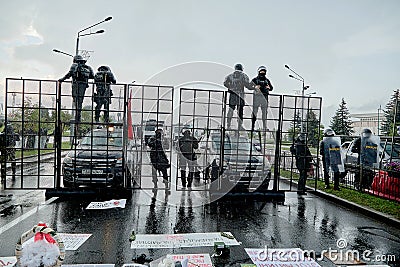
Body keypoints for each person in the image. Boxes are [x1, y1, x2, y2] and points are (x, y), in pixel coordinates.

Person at [58, 55, 94, 125]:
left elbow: (70, 73)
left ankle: (77, 117)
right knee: (80, 101)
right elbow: (92, 76)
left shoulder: (74, 65)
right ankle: (78, 116)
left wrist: (62, 79)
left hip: (76, 84)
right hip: (83, 85)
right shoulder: (87, 67)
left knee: (76, 100)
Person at [223, 63, 254, 130]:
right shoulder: (244, 75)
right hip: (240, 95)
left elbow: (225, 83)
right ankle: (239, 126)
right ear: (241, 68)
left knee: (231, 110)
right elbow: (247, 85)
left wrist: (230, 88)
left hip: (232, 95)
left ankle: (228, 125)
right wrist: (254, 88)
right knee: (240, 111)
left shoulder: (230, 76)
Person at [251, 66, 273, 131]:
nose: (262, 73)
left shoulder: (267, 80)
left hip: (265, 97)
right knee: (255, 112)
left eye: (264, 72)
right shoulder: (255, 79)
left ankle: (264, 127)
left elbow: (271, 88)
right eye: (261, 72)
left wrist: (269, 88)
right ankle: (252, 127)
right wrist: (254, 87)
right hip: (257, 97)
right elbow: (249, 86)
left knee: (265, 113)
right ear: (259, 72)